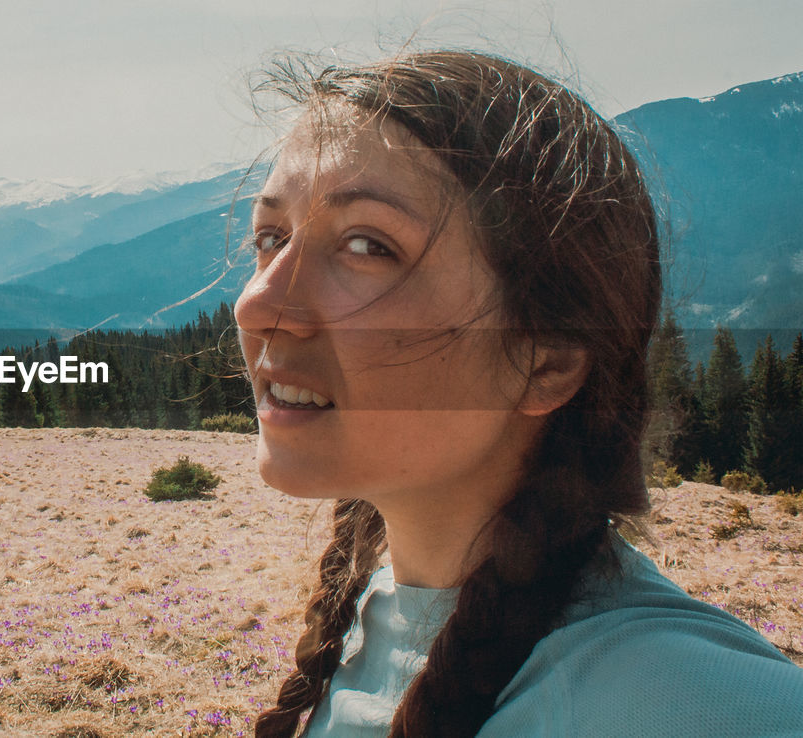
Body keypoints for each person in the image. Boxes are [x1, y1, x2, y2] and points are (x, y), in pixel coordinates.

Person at [234, 50, 803, 737]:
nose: (258, 302)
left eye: (366, 245)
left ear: (547, 364)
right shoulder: (376, 615)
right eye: (271, 237)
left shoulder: (672, 693)